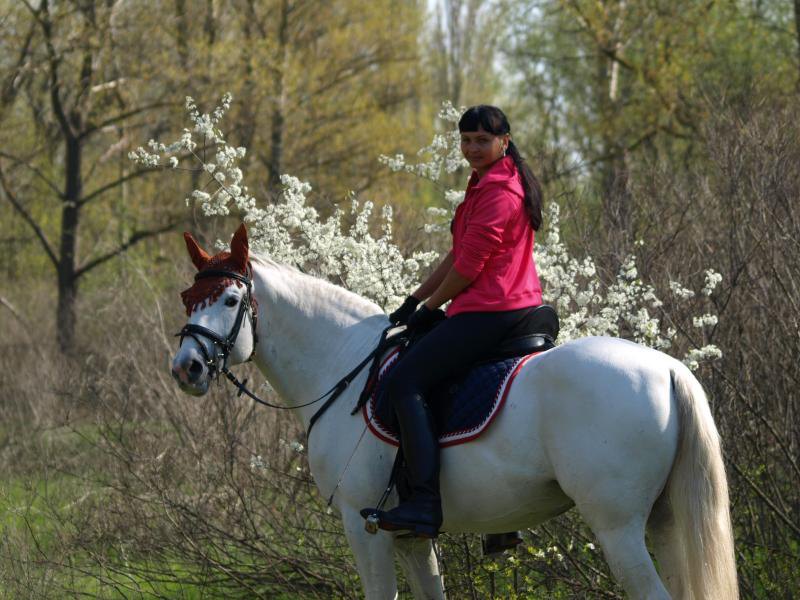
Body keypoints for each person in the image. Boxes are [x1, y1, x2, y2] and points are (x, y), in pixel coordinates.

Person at [363, 105, 544, 538]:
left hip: (491, 308)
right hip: (502, 305)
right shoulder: (484, 185)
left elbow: (470, 267)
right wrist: (416, 299)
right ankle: (499, 511)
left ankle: (424, 502)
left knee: (405, 382)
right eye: (466, 140)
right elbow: (457, 255)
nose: (472, 149)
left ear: (504, 141)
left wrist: (430, 311)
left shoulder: (500, 193)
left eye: (482, 140)